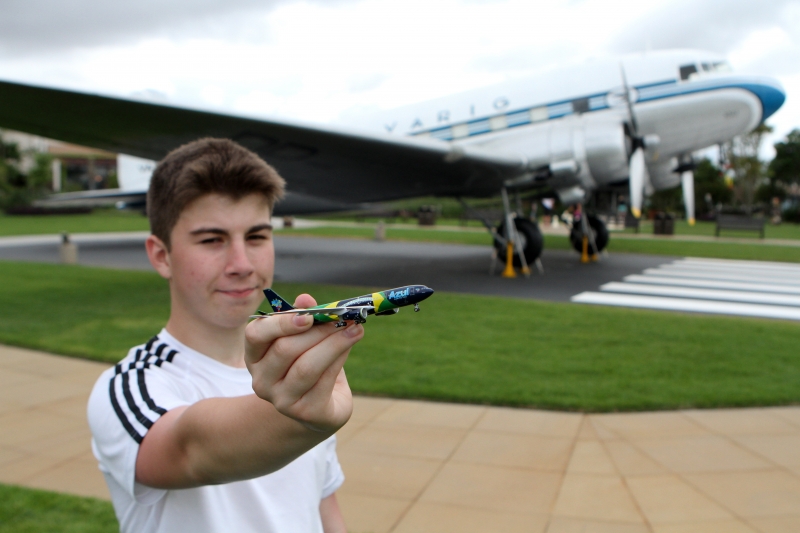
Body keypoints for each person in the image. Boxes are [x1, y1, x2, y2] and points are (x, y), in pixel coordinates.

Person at [87, 138, 362, 533]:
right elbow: (191, 450)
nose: (242, 264)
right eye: (212, 240)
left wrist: (307, 408)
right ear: (161, 255)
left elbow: (323, 509)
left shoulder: (301, 376)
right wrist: (303, 418)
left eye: (256, 237)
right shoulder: (130, 385)